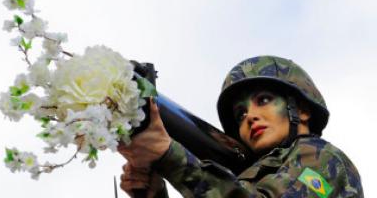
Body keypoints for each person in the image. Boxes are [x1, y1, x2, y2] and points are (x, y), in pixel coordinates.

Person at [118, 56, 362, 196]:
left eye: (264, 100)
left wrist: (169, 155)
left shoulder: (321, 158)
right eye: (240, 114)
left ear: (302, 111)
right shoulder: (250, 178)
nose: (250, 117)